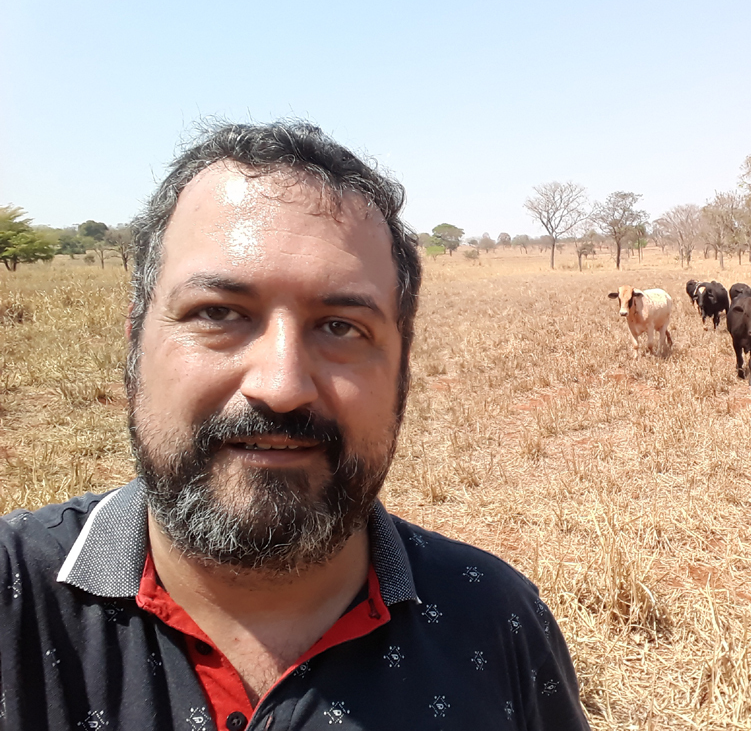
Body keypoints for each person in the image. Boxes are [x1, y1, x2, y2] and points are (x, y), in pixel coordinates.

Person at [0, 122, 590, 731]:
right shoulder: (13, 597)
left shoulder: (497, 621)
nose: (282, 386)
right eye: (219, 313)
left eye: (341, 326)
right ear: (134, 349)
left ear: (402, 371)